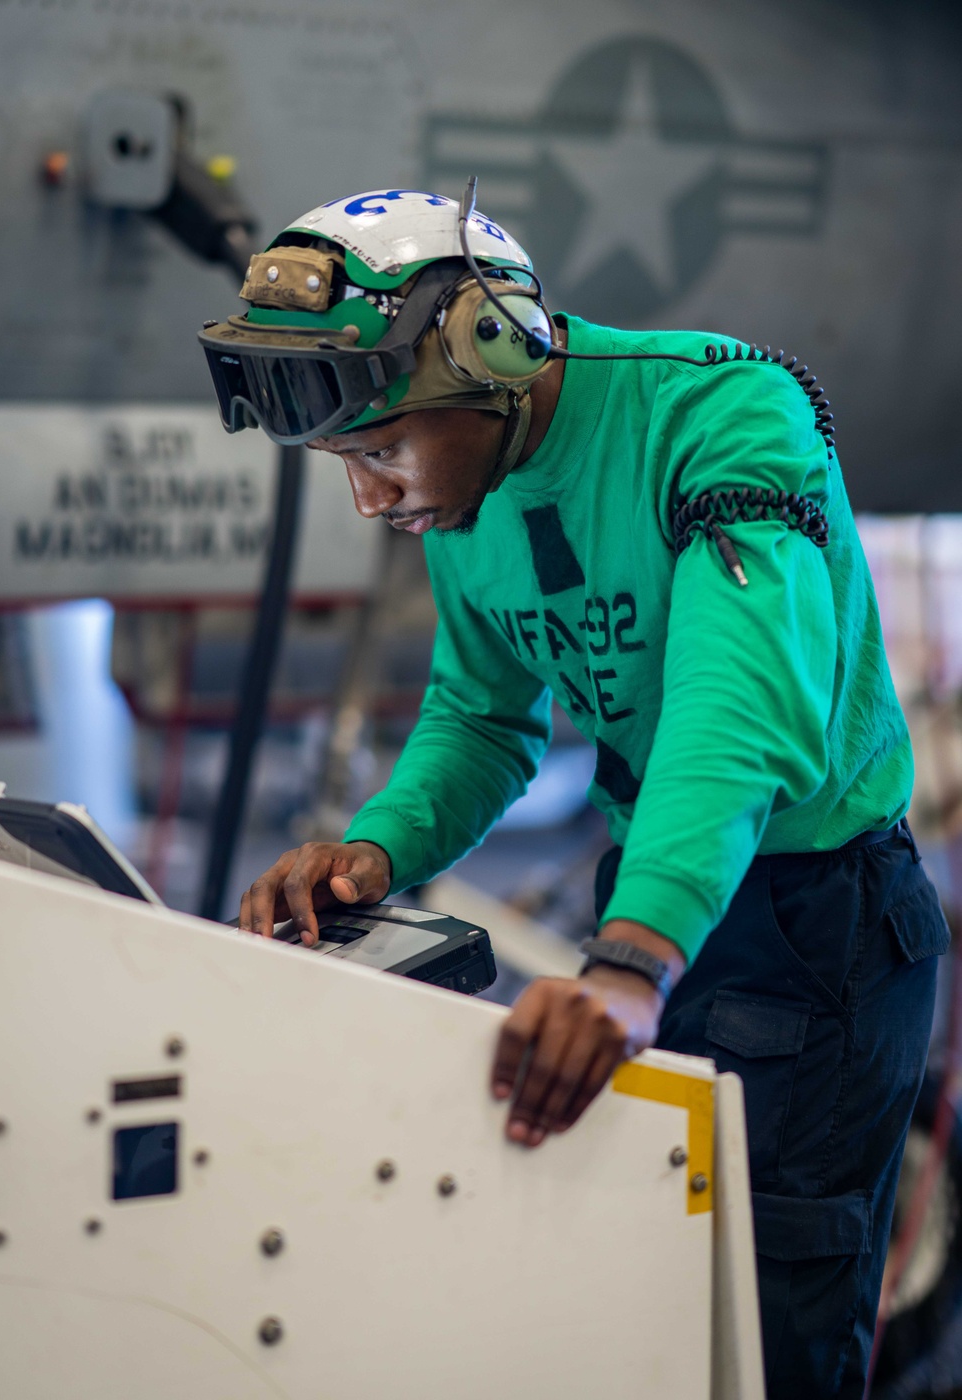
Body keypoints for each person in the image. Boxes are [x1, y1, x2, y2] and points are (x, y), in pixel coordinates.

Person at [201, 186, 949, 1398]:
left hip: (819, 929)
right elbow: (481, 717)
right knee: (637, 1309)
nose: (373, 499)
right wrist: (373, 852)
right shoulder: (469, 479)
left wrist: (626, 965)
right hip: (654, 901)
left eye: (382, 450)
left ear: (494, 346)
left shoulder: (720, 415)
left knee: (760, 1347)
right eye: (349, 461)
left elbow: (736, 709)